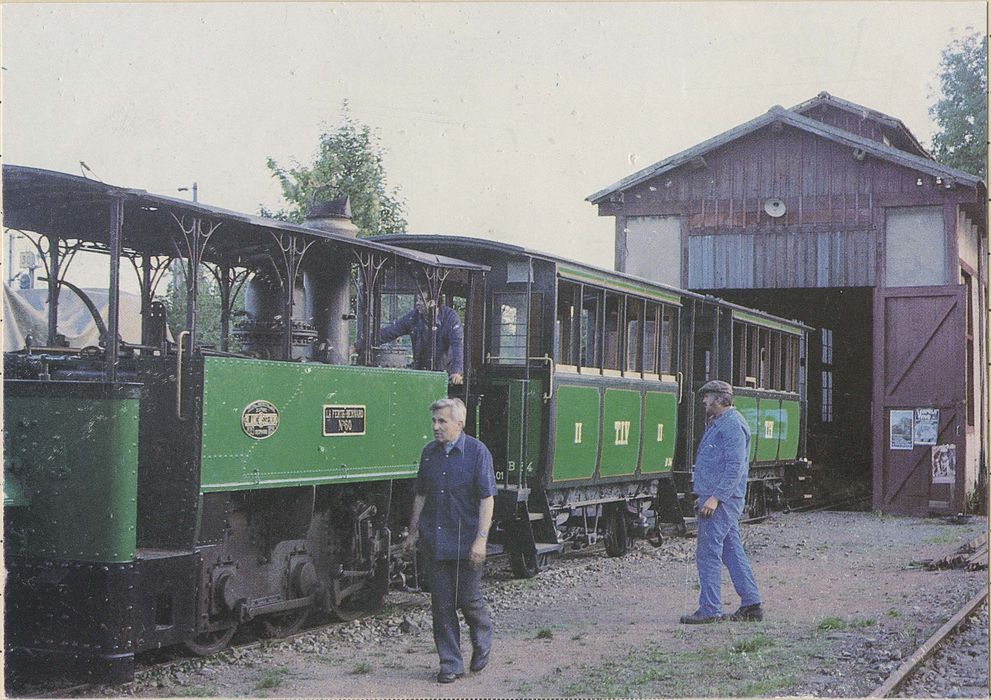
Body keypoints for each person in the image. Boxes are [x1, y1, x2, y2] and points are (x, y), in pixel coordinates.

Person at [404, 397, 496, 683]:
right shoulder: (429, 454)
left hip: (466, 541)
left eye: (442, 421)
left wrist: (481, 540)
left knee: (468, 600)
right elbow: (421, 495)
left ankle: (482, 637)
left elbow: (486, 499)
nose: (436, 427)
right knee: (441, 606)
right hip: (435, 540)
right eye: (434, 421)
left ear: (459, 423)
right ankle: (451, 664)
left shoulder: (478, 453)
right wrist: (413, 532)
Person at [680, 379, 764, 624]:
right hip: (720, 498)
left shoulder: (731, 425)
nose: (704, 401)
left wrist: (715, 499)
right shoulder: (723, 423)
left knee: (708, 554)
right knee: (731, 551)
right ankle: (751, 604)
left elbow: (734, 468)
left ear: (719, 399)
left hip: (721, 500)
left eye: (707, 397)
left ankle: (709, 609)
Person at [376, 292, 464, 384]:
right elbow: (389, 332)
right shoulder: (413, 317)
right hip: (421, 371)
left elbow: (457, 344)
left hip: (444, 374)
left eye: (422, 300)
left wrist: (456, 371)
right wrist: (362, 344)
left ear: (433, 302)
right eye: (417, 299)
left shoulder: (450, 318)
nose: (417, 303)